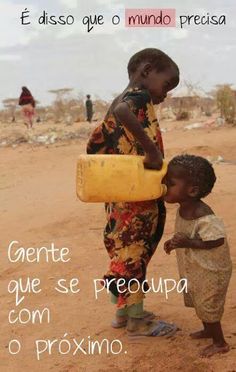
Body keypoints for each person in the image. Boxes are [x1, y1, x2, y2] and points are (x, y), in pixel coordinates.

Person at [87, 48, 179, 336]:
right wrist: (152, 152)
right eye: (166, 85)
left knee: (123, 252)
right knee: (135, 254)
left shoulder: (120, 99)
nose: (164, 95)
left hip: (120, 193)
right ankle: (138, 322)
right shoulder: (135, 99)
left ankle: (123, 313)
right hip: (136, 197)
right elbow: (123, 112)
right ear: (147, 70)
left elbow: (100, 141)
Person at [163, 154, 232, 357]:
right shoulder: (184, 207)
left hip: (212, 270)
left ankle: (220, 342)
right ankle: (209, 330)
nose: (164, 186)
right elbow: (185, 233)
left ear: (192, 190)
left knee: (208, 303)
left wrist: (187, 243)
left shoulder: (203, 214)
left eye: (170, 183)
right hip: (197, 268)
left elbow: (216, 239)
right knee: (199, 300)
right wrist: (174, 242)